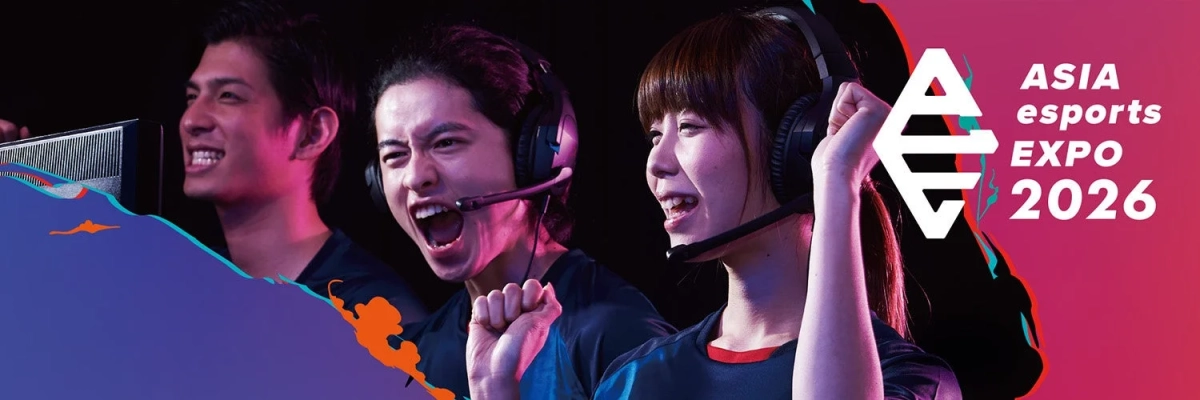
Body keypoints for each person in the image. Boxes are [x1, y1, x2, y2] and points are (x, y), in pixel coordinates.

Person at [470, 6, 962, 400]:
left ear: (794, 148)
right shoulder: (633, 380)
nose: (657, 162)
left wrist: (836, 181)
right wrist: (498, 392)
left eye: (689, 127)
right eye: (655, 134)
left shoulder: (910, 381)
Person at [368, 24, 676, 400]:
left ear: (533, 155)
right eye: (394, 156)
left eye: (446, 143)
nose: (415, 177)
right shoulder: (412, 360)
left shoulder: (617, 336)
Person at [179, 0, 427, 320]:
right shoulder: (184, 287)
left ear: (313, 133)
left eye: (228, 96)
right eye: (192, 97)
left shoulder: (373, 316)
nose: (191, 120)